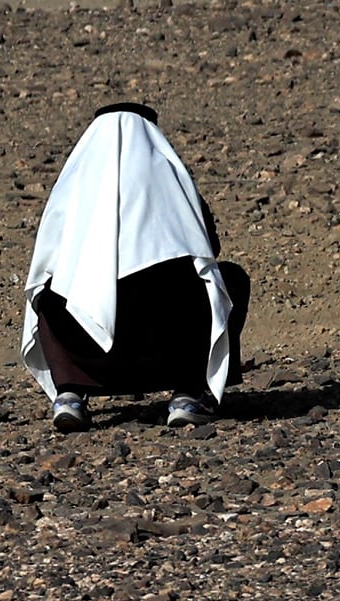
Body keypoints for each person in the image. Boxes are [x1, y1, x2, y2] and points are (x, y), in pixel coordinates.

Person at [19, 104, 248, 430]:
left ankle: (70, 393)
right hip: (163, 348)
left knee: (49, 287)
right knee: (230, 278)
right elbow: (208, 250)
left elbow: (43, 263)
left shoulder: (70, 189)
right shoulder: (172, 184)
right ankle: (190, 393)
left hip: (90, 356)